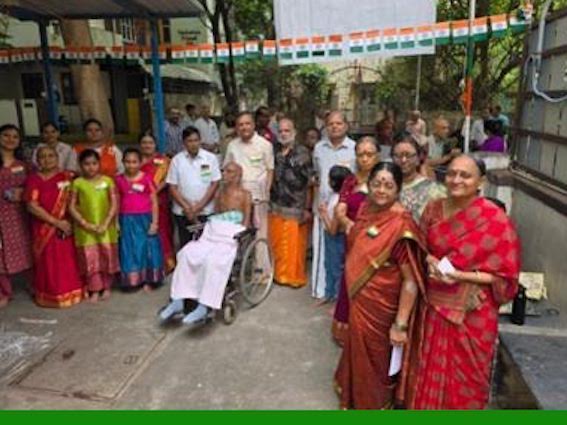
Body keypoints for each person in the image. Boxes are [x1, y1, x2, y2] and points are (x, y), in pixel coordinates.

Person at [409, 155, 521, 410]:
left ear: (481, 181)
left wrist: (459, 276)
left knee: (467, 379)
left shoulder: (495, 219)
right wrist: (429, 260)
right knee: (428, 368)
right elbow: (420, 247)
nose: (456, 180)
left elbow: (505, 276)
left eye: (465, 175)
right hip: (434, 306)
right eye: (451, 173)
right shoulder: (433, 209)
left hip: (474, 311)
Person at [334, 162, 427, 410]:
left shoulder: (402, 226)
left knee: (377, 359)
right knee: (357, 351)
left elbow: (411, 281)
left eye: (389, 186)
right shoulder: (366, 210)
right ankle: (352, 397)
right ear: (369, 185)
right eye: (376, 184)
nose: (381, 191)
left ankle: (374, 404)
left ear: (398, 189)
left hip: (383, 307)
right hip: (359, 299)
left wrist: (400, 325)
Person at [159, 161, 252, 324]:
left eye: (229, 172)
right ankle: (178, 300)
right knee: (186, 253)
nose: (224, 174)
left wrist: (238, 234)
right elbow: (215, 216)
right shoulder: (219, 193)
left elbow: (246, 221)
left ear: (238, 175)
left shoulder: (245, 195)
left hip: (230, 236)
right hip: (213, 233)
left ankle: (204, 306)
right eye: (224, 171)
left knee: (213, 260)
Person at [331, 137, 380, 343]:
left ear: (378, 156)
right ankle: (345, 330)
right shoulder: (350, 181)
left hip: (378, 240)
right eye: (361, 154)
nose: (365, 158)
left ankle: (367, 332)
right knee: (349, 279)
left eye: (369, 154)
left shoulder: (383, 180)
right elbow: (340, 207)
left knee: (372, 282)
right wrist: (346, 222)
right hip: (352, 238)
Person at [25, 145, 84, 307]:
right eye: (42, 156)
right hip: (43, 227)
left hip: (66, 226)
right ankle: (49, 295)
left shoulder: (67, 177)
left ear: (57, 158)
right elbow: (32, 206)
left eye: (51, 156)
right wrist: (56, 222)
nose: (47, 159)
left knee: (66, 260)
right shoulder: (33, 179)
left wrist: (71, 221)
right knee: (47, 262)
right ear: (37, 161)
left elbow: (77, 200)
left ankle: (71, 292)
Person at [311, 111, 356, 300]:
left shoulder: (354, 148)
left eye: (338, 123)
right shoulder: (319, 148)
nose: (334, 127)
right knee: (322, 249)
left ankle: (340, 294)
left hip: (345, 209)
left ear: (346, 125)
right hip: (323, 206)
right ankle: (321, 291)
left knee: (341, 253)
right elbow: (317, 175)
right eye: (330, 124)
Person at [69, 149, 119, 303]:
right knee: (90, 258)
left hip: (106, 228)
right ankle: (94, 289)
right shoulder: (77, 183)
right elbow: (71, 206)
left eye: (94, 163)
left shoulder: (108, 181)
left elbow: (114, 204)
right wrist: (85, 224)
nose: (91, 167)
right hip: (85, 229)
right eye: (86, 164)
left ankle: (107, 287)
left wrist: (106, 223)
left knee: (106, 256)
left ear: (99, 164)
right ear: (80, 165)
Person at [269, 118, 313, 288]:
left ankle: (294, 278)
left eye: (287, 130)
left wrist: (307, 208)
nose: (283, 134)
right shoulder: (275, 151)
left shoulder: (302, 152)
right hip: (276, 204)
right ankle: (279, 276)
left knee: (294, 246)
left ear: (294, 132)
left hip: (296, 206)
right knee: (278, 242)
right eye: (280, 131)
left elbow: (310, 182)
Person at [224, 112, 274, 252]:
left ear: (253, 125)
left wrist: (266, 193)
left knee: (260, 231)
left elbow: (270, 170)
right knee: (237, 230)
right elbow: (227, 168)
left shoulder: (265, 145)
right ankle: (237, 260)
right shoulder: (232, 145)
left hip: (258, 194)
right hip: (237, 196)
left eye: (247, 124)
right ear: (236, 127)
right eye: (240, 125)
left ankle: (261, 264)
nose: (244, 127)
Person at [116, 148, 164, 291]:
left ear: (140, 162)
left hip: (145, 219)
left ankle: (150, 279)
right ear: (123, 162)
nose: (131, 165)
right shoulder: (118, 180)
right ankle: (133, 280)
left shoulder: (147, 178)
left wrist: (154, 222)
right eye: (128, 162)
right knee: (129, 249)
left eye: (134, 162)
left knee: (147, 248)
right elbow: (116, 202)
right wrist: (116, 222)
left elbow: (154, 201)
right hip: (126, 220)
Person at [167, 126, 221, 247]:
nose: (194, 144)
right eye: (190, 141)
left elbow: (215, 184)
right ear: (184, 143)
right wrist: (187, 207)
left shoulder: (210, 158)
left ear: (200, 140)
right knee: (186, 246)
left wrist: (199, 206)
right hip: (183, 212)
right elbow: (172, 186)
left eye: (196, 140)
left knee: (206, 245)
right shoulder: (177, 160)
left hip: (205, 211)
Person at [0, 124, 32, 308]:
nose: (10, 139)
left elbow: (34, 186)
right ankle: (4, 292)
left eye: (14, 136)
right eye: (6, 135)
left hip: (19, 215)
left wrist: (23, 193)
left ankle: (33, 285)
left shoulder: (24, 165)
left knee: (26, 248)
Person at [140, 132, 175, 273]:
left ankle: (166, 264)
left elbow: (168, 179)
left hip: (160, 201)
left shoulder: (164, 161)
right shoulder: (136, 161)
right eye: (144, 143)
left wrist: (154, 191)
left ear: (155, 145)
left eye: (150, 143)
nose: (147, 145)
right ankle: (149, 264)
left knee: (162, 231)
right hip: (141, 203)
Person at [317, 166, 352, 303]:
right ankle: (328, 293)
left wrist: (324, 214)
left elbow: (333, 230)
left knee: (336, 269)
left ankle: (337, 299)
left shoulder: (340, 202)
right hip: (330, 237)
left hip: (336, 239)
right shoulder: (334, 196)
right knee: (328, 265)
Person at [391, 135, 446, 222]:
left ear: (418, 158)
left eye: (408, 155)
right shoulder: (383, 187)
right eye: (398, 156)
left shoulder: (435, 190)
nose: (403, 160)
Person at [424, 117, 461, 181]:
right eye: (443, 128)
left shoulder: (443, 142)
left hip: (440, 170)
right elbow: (428, 163)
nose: (447, 131)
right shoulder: (428, 142)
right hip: (431, 173)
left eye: (447, 128)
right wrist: (449, 156)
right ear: (435, 129)